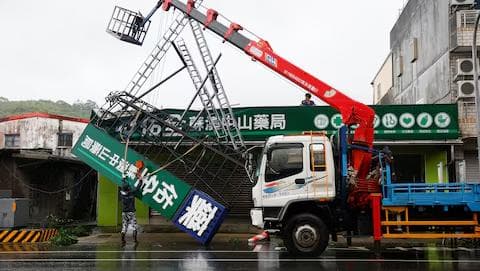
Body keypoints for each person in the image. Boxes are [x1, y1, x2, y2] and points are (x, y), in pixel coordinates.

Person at [120, 168, 143, 244]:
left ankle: (123, 239)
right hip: (131, 212)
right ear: (128, 188)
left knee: (124, 226)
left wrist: (123, 178)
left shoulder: (122, 193)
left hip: (124, 212)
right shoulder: (132, 193)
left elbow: (123, 185)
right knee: (134, 226)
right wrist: (140, 179)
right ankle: (135, 240)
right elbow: (138, 187)